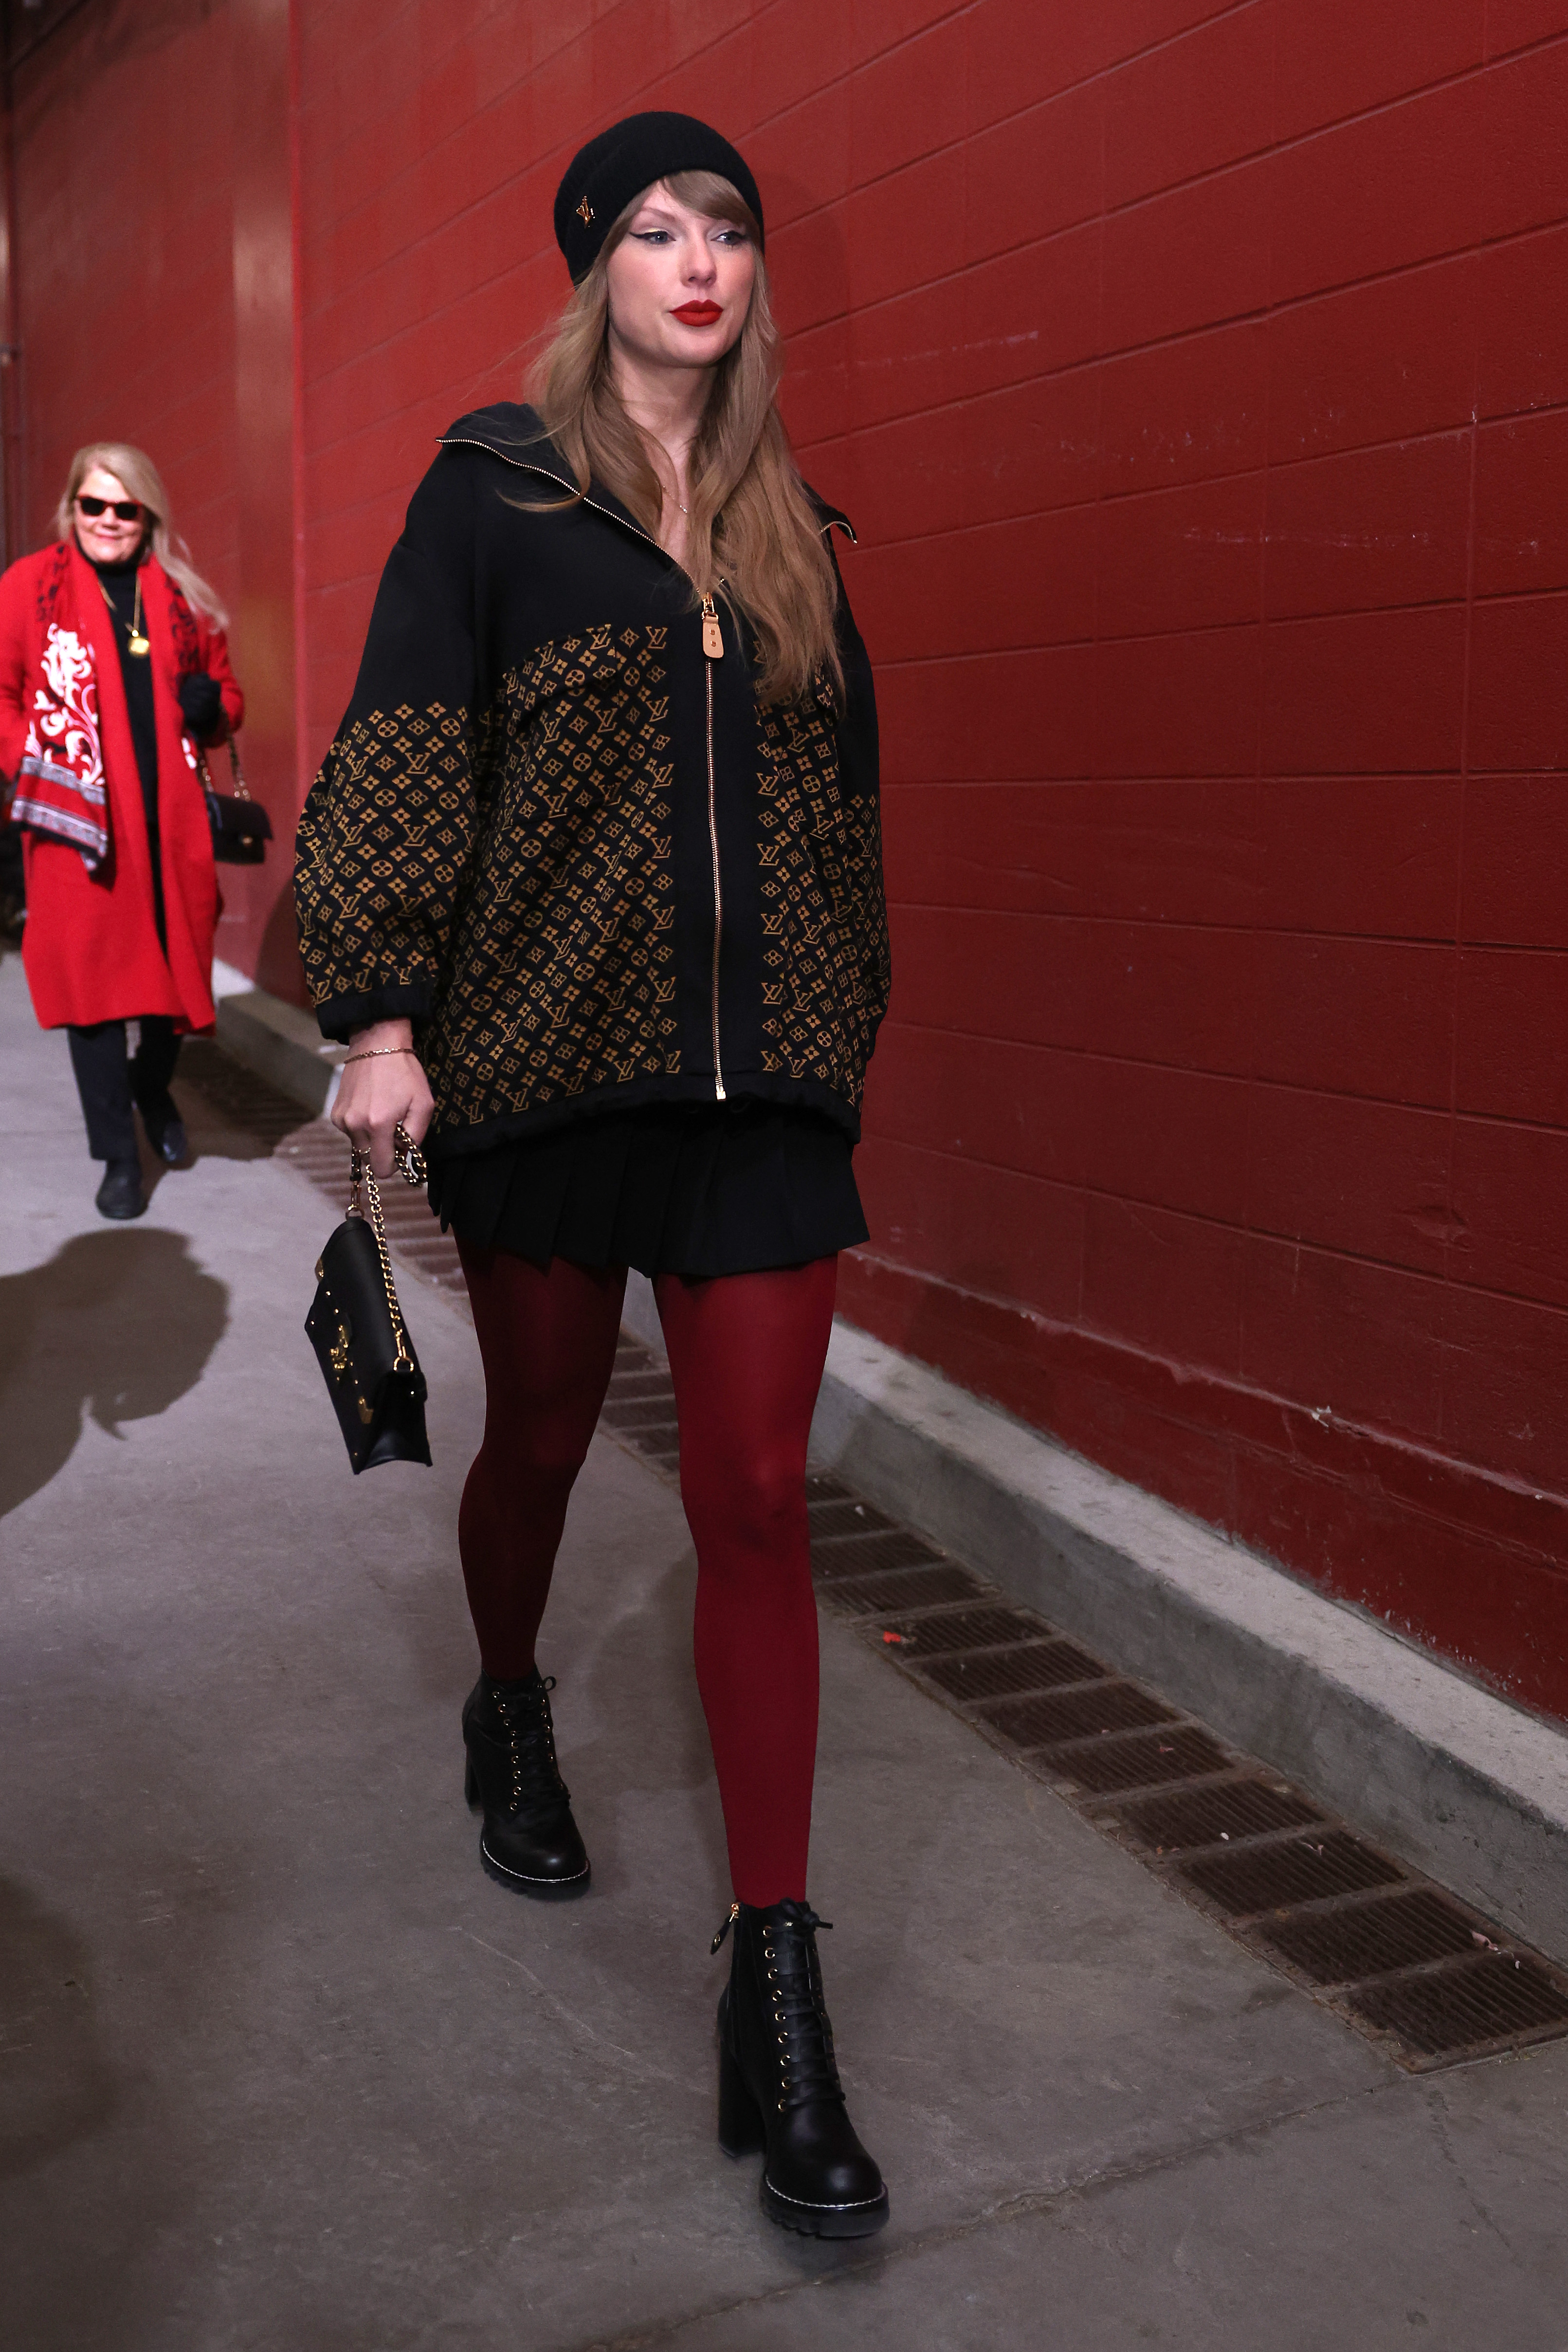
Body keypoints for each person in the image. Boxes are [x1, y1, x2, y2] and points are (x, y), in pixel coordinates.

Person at [295, 113, 892, 2240]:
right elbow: (398, 746)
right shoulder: (497, 495)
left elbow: (842, 818)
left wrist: (835, 1023)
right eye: (656, 229)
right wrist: (379, 1018)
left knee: (747, 1493)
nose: (699, 259)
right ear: (595, 270)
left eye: (728, 225)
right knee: (540, 1435)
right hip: (548, 1069)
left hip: (757, 1102)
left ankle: (778, 1979)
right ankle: (511, 1699)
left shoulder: (793, 526)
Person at [0, 444, 243, 1218]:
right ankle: (117, 1158)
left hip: (169, 829)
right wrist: (34, 764)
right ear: (71, 509)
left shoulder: (180, 596)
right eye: (92, 506)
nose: (107, 521)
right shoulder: (29, 588)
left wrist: (213, 709)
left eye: (124, 508)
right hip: (76, 826)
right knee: (93, 998)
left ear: (148, 515)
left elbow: (229, 695)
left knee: (173, 985)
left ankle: (153, 1091)